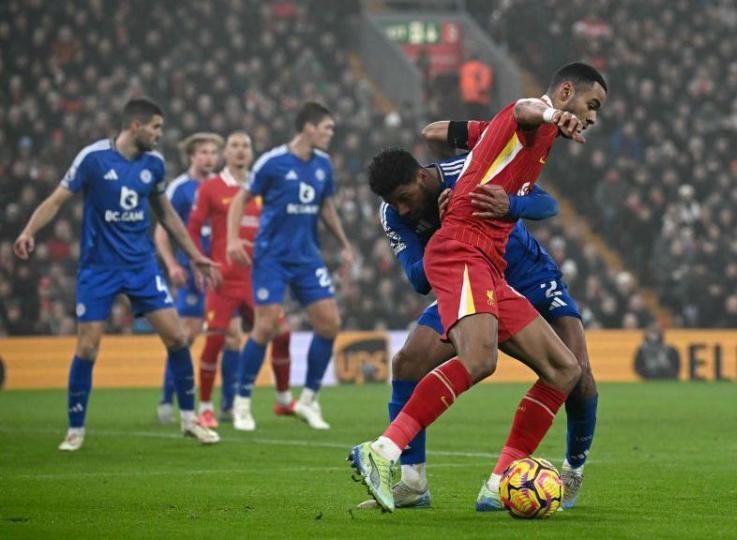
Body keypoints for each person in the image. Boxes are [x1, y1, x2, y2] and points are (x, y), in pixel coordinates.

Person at [348, 62, 607, 513]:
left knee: (566, 371)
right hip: (463, 250)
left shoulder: (518, 140)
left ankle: (498, 484)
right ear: (565, 91)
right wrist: (552, 115)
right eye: (591, 105)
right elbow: (525, 107)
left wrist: (488, 158)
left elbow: (448, 135)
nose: (592, 117)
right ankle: (384, 451)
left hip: (499, 263)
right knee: (477, 358)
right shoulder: (531, 116)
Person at [13, 98, 221, 450]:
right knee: (88, 346)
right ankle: (75, 429)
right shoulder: (93, 158)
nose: (160, 134)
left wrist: (195, 256)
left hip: (141, 266)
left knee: (176, 338)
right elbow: (56, 200)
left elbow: (167, 215)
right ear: (135, 126)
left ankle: (189, 421)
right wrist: (29, 231)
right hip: (99, 268)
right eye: (156, 127)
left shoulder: (153, 164)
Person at [226, 102, 354, 431]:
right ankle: (241, 403)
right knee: (265, 326)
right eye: (327, 128)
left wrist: (343, 244)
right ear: (308, 128)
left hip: (307, 257)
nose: (330, 134)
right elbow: (241, 199)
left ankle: (309, 399)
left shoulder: (323, 165)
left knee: (329, 324)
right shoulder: (273, 162)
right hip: (272, 257)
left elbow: (325, 206)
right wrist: (233, 239)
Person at [186, 131, 294, 428]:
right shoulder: (211, 187)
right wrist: (199, 262)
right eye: (234, 146)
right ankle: (206, 408)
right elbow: (192, 228)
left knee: (282, 334)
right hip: (222, 278)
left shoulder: (264, 188)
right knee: (215, 340)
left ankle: (283, 399)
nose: (240, 151)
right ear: (226, 153)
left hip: (258, 278)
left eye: (245, 145)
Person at [155, 132, 222, 424]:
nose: (209, 157)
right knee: (185, 337)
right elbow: (161, 232)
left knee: (227, 337)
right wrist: (172, 265)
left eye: (212, 152)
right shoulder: (179, 188)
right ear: (192, 156)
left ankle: (229, 405)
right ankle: (167, 400)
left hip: (219, 275)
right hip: (193, 276)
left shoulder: (221, 187)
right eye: (204, 152)